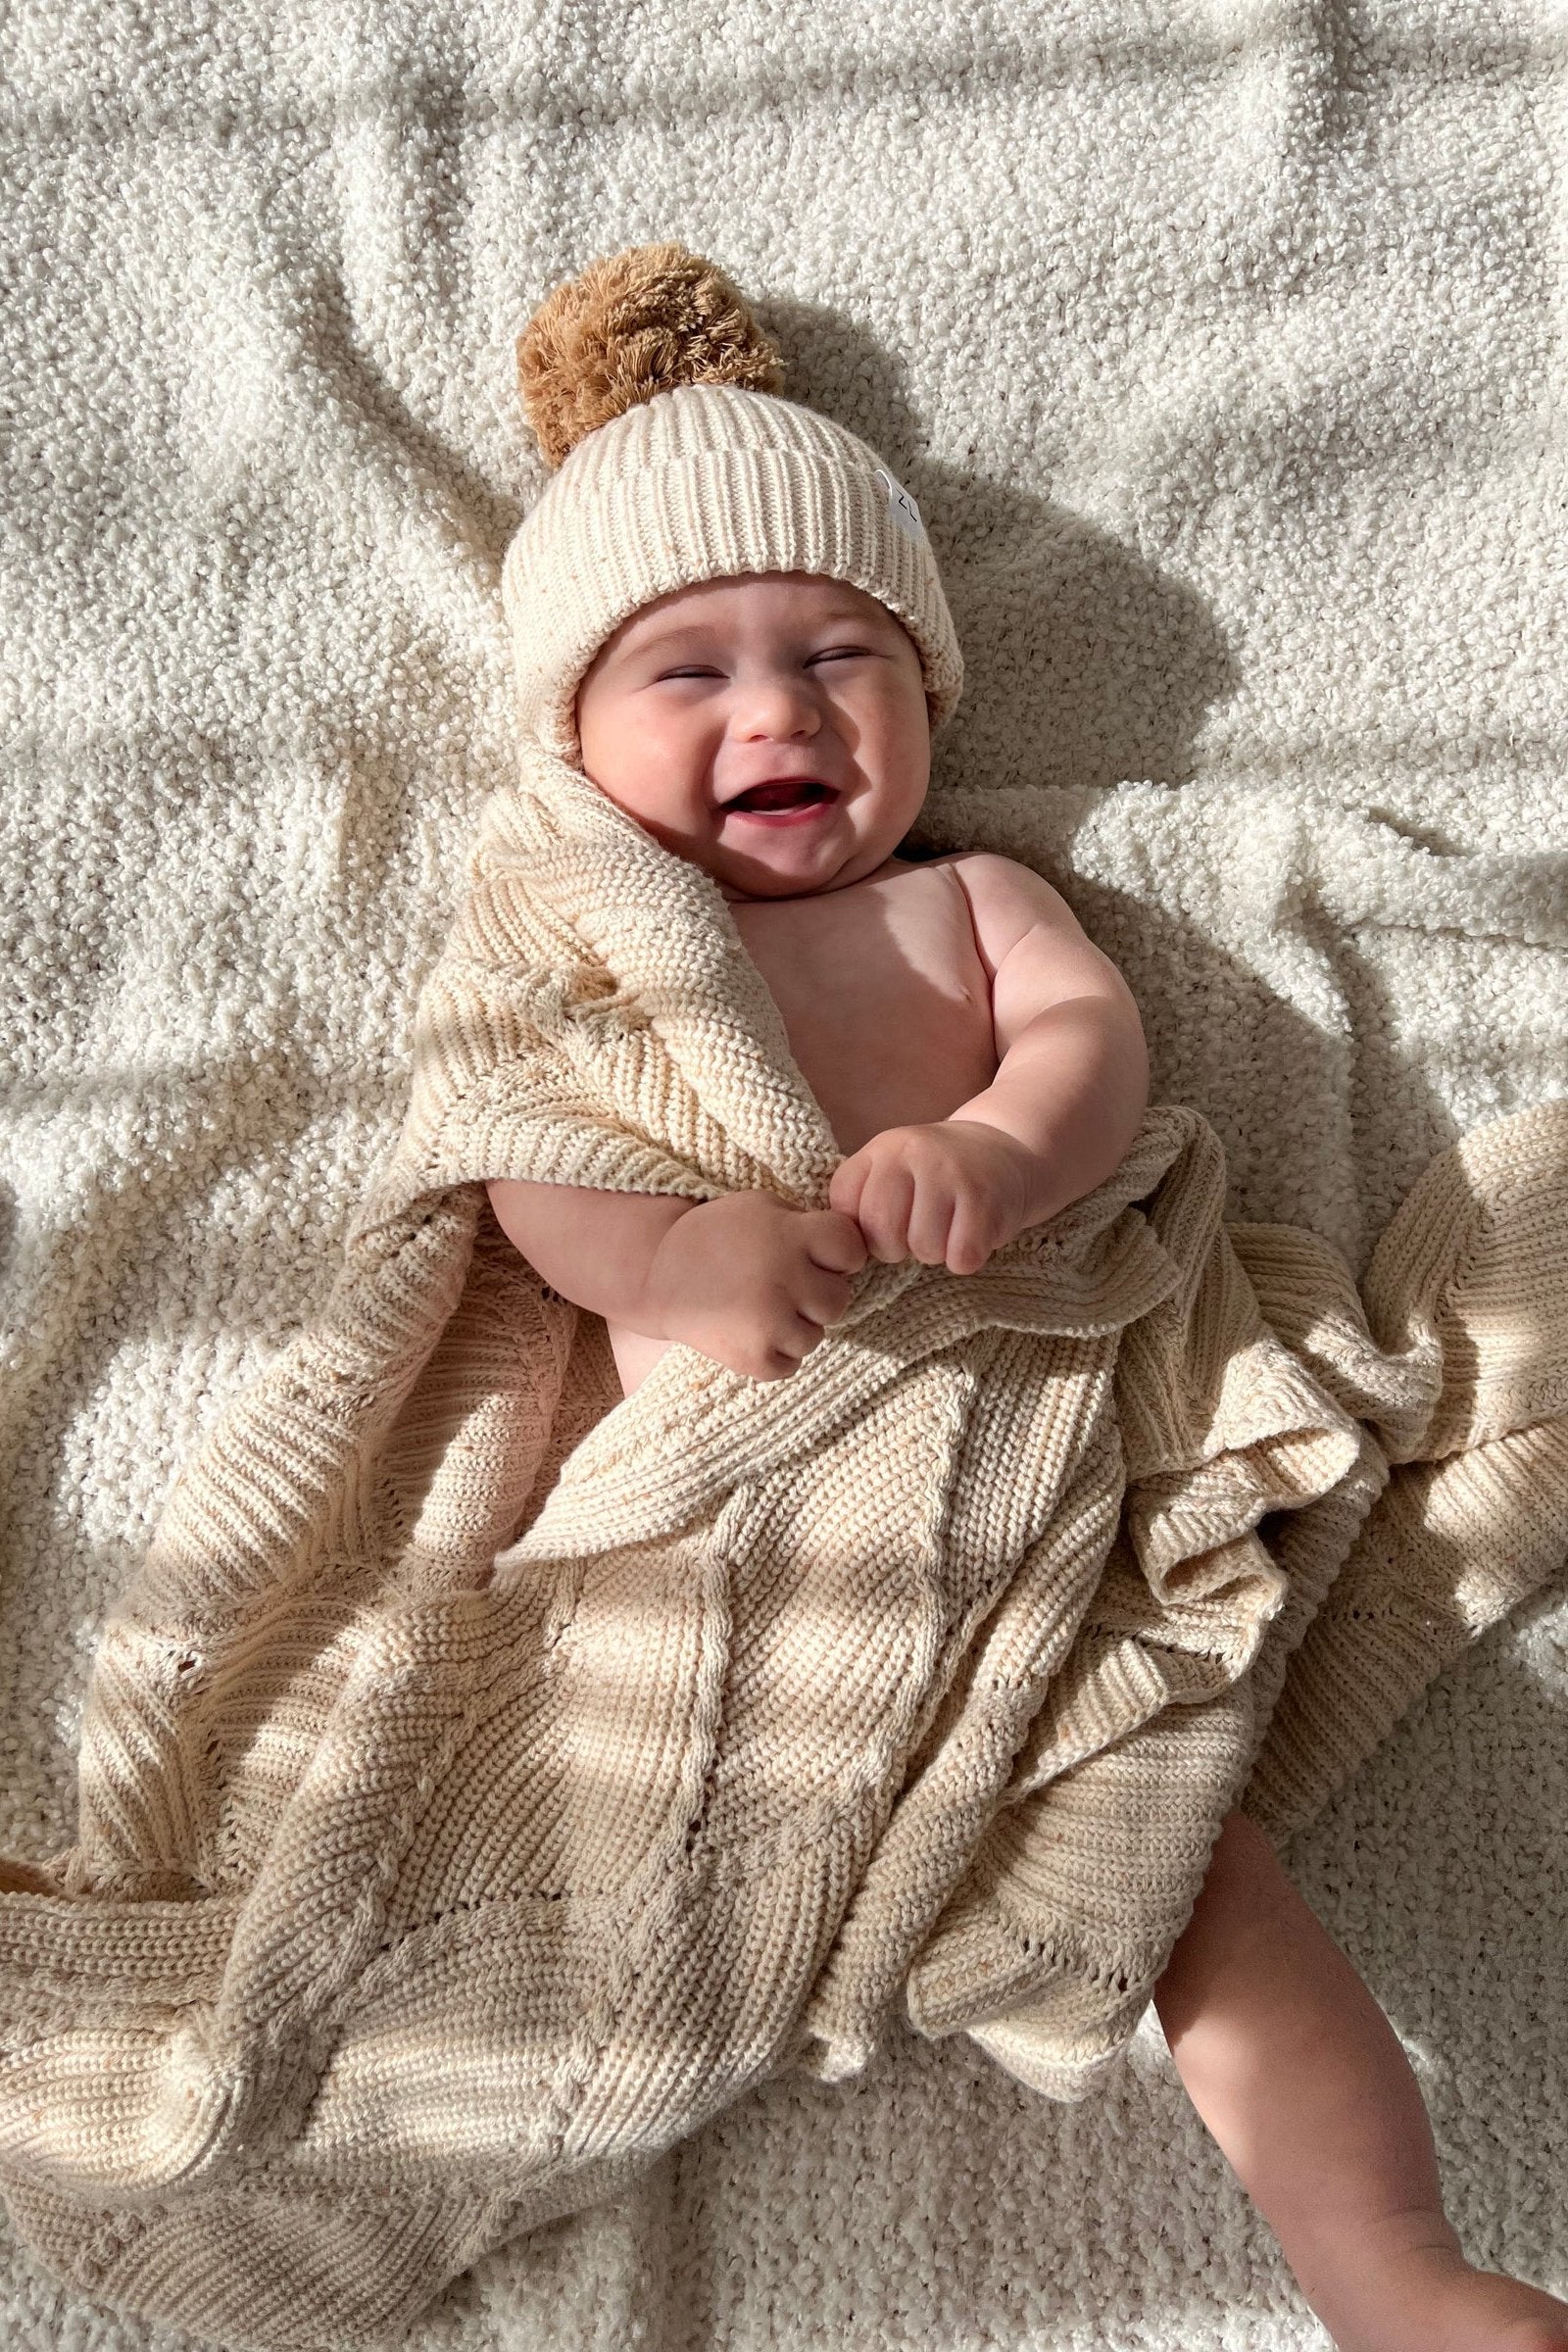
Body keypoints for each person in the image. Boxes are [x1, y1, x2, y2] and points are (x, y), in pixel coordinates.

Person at [487, 558, 1568, 2352]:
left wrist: (997, 1145)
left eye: (845, 657)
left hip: (1022, 1466)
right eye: (687, 674)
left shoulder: (976, 895)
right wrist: (675, 1256)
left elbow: (1092, 1043)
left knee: (1182, 1852)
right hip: (758, 1533)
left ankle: (1388, 2269)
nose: (779, 711)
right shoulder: (593, 945)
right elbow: (530, 1155)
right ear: (573, 736)